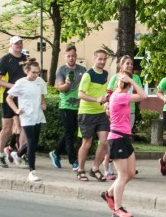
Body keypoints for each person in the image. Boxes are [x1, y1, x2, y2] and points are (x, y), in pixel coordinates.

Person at [101, 72, 148, 217]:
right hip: (117, 139)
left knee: (131, 174)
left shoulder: (120, 95)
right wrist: (133, 82)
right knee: (122, 176)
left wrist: (130, 81)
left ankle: (108, 194)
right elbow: (143, 96)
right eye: (128, 84)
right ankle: (118, 208)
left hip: (125, 138)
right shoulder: (120, 96)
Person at [6, 60, 48, 182]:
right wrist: (16, 110)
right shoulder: (20, 83)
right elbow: (9, 98)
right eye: (33, 72)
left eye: (38, 72)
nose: (36, 75)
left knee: (34, 142)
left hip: (38, 114)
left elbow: (42, 95)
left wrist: (43, 103)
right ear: (26, 71)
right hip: (26, 116)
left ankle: (17, 154)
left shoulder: (40, 82)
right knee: (31, 142)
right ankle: (32, 171)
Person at [103, 55, 143, 179]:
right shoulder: (115, 78)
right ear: (121, 65)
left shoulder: (135, 77)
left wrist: (132, 82)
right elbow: (109, 94)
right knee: (116, 140)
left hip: (130, 111)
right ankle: (108, 168)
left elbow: (139, 92)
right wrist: (107, 106)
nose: (130, 66)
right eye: (127, 63)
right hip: (118, 112)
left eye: (131, 63)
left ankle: (127, 166)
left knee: (126, 140)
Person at [51, 44, 86, 171]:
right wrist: (67, 83)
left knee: (71, 132)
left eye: (73, 56)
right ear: (65, 57)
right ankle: (73, 160)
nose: (71, 58)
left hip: (80, 106)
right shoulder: (61, 70)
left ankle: (56, 152)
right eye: (68, 56)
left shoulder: (83, 70)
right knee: (69, 133)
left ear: (76, 56)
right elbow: (60, 88)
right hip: (65, 105)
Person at [76, 49, 111, 181]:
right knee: (87, 143)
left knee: (104, 142)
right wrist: (96, 99)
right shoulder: (88, 75)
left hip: (100, 113)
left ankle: (95, 168)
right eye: (100, 59)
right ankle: (80, 170)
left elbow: (104, 91)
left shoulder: (106, 74)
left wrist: (106, 100)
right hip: (87, 113)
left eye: (104, 59)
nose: (102, 62)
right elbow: (80, 94)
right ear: (94, 59)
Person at [0, 36, 28, 167]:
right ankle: (0, 154)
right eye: (16, 43)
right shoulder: (5, 59)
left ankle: (22, 154)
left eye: (20, 43)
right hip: (10, 97)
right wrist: (12, 86)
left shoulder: (26, 58)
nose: (19, 45)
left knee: (24, 127)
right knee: (7, 128)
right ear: (11, 45)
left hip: (24, 97)